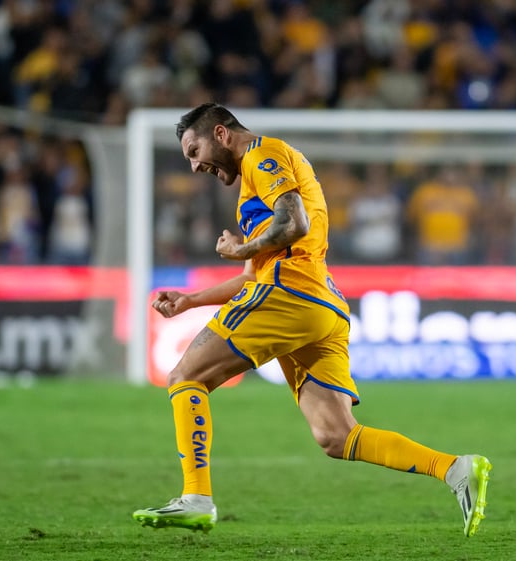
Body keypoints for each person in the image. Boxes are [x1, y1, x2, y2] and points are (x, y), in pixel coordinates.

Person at [131, 102, 492, 537]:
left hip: (290, 293)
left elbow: (294, 222)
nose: (193, 166)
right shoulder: (253, 187)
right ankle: (455, 469)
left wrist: (240, 248)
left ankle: (195, 497)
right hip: (321, 304)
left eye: (194, 151)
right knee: (336, 436)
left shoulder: (263, 156)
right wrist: (192, 300)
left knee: (186, 376)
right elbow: (252, 277)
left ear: (222, 134)